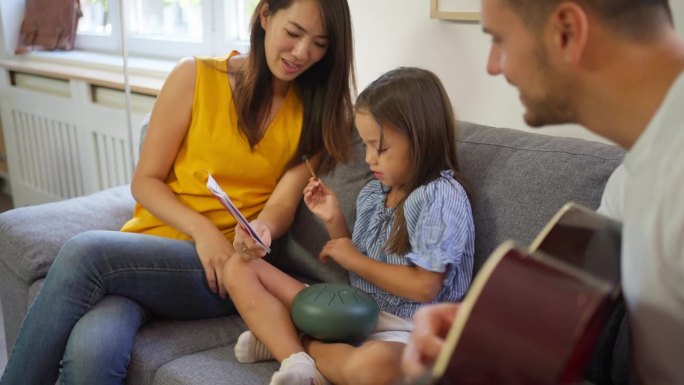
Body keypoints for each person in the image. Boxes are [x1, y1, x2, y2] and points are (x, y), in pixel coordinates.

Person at [0, 0, 355, 384]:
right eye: (294, 33)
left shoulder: (318, 114)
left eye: (320, 43)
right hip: (147, 254)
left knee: (84, 251)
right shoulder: (195, 76)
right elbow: (145, 181)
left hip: (219, 271)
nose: (302, 53)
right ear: (266, 16)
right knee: (92, 351)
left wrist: (262, 229)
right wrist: (203, 231)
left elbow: (283, 202)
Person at [401, 0, 684, 384]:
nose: (493, 65)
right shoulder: (631, 178)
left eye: (498, 39)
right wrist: (482, 332)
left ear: (566, 31)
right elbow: (563, 308)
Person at [222, 67, 475, 385]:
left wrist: (354, 259)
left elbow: (425, 285)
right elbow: (358, 268)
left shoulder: (439, 196)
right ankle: (296, 359)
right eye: (366, 145)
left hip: (407, 327)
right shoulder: (374, 192)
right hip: (355, 309)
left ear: (421, 138)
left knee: (374, 367)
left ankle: (292, 343)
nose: (370, 159)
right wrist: (334, 220)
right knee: (239, 266)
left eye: (380, 148)